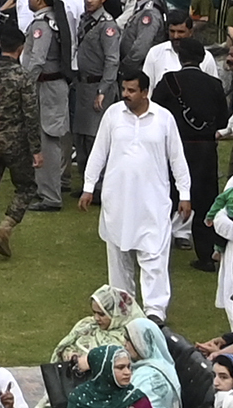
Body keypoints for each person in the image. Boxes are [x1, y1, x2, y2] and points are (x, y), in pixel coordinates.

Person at [81, 71, 192, 320]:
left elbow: (177, 158)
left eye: (132, 90)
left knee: (154, 255)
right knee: (118, 256)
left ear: (145, 92)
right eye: (124, 89)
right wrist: (89, 186)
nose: (126, 95)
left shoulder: (163, 118)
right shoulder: (113, 115)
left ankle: (155, 311)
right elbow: (99, 151)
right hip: (117, 200)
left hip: (153, 201)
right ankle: (123, 307)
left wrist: (184, 193)